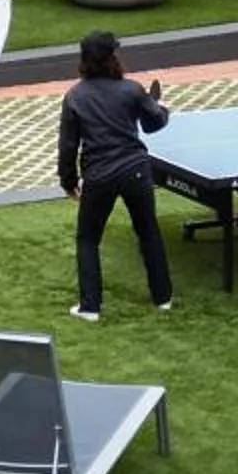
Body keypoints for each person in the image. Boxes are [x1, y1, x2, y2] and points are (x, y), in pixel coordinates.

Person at [57, 31, 174, 321]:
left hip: (99, 177)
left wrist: (68, 182)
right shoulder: (132, 90)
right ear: (113, 58)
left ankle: (90, 307)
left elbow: (68, 145)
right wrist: (161, 108)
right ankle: (163, 298)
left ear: (84, 60)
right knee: (148, 232)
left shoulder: (74, 97)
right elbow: (154, 123)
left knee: (88, 239)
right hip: (136, 171)